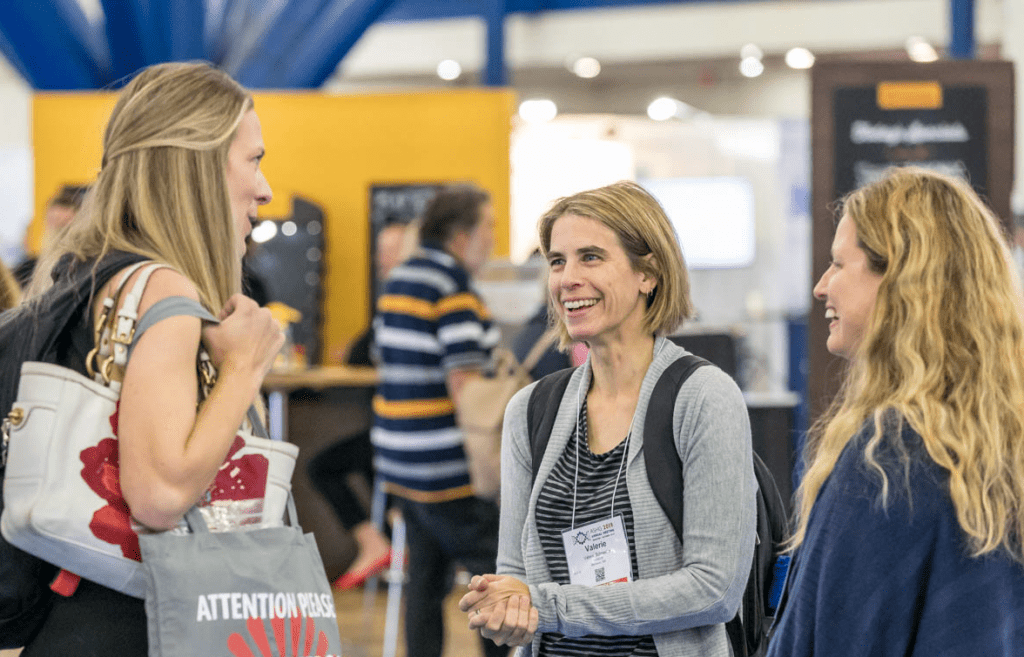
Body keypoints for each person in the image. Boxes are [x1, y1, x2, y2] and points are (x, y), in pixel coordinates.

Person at [17, 62, 281, 655]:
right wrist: (244, 367)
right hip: (136, 620)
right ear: (201, 165)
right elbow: (160, 495)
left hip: (68, 612)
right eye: (254, 159)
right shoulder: (163, 289)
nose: (264, 188)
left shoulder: (87, 277)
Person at [459, 180, 756, 656]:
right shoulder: (532, 410)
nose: (566, 278)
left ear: (648, 274)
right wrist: (503, 613)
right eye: (557, 261)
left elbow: (713, 589)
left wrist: (545, 605)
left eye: (590, 257)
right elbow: (516, 576)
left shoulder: (702, 398)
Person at [766, 167, 1024, 655]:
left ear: (901, 279)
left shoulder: (890, 457)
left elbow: (832, 636)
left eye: (839, 264)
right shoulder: (997, 441)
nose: (822, 287)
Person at [371, 183, 507, 657]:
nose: (493, 237)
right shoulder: (453, 286)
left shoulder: (401, 279)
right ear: (461, 234)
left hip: (402, 464)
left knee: (424, 584)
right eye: (488, 225)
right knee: (497, 582)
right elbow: (465, 386)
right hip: (447, 467)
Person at [307, 217, 417, 590]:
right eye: (381, 251)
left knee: (324, 467)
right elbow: (360, 352)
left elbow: (360, 353)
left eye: (391, 250)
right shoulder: (397, 299)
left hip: (405, 435)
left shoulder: (407, 301)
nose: (382, 259)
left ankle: (379, 546)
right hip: (393, 431)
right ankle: (388, 549)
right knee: (368, 467)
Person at [13, 184, 88, 287]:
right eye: (54, 227)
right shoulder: (28, 269)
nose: (58, 236)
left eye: (64, 226)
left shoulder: (83, 266)